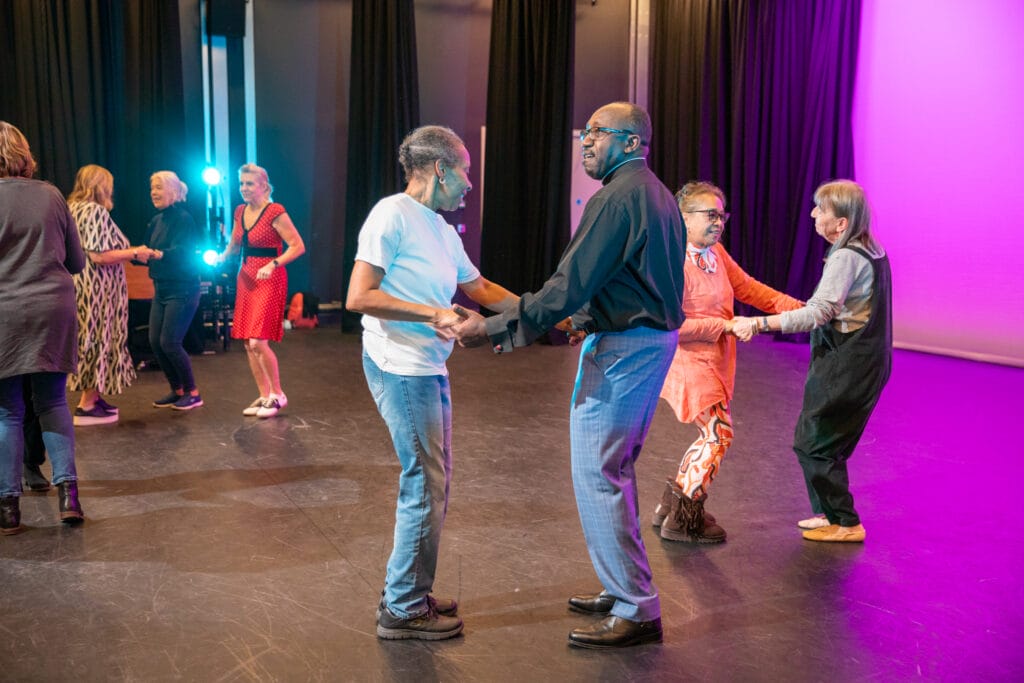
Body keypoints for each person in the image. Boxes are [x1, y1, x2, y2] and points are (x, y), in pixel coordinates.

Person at [453, 102, 685, 649]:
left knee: (600, 473)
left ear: (631, 142)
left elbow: (569, 283)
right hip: (644, 342)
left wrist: (491, 327)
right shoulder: (655, 194)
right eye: (585, 132)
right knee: (614, 469)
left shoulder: (617, 198)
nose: (586, 141)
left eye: (598, 132)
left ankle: (635, 605)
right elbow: (627, 280)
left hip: (626, 350)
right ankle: (621, 584)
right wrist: (583, 320)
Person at [346, 125, 519, 641]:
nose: (469, 183)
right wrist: (436, 314)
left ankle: (410, 589)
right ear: (441, 169)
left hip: (428, 364)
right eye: (465, 170)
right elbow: (359, 296)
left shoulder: (442, 230)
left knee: (432, 482)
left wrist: (546, 314)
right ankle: (402, 608)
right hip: (400, 366)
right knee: (424, 483)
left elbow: (481, 287)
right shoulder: (391, 214)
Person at [732, 179, 892, 543]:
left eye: (821, 209)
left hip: (849, 364)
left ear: (841, 223)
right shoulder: (871, 249)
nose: (813, 214)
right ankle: (829, 514)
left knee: (814, 443)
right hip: (864, 361)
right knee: (826, 440)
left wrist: (758, 324)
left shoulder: (846, 257)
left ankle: (847, 523)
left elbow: (818, 313)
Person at [652, 182, 803, 544]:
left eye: (722, 215)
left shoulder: (715, 253)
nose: (719, 222)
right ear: (683, 218)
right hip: (688, 362)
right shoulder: (670, 261)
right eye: (711, 215)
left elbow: (749, 289)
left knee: (711, 434)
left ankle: (671, 505)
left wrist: (801, 310)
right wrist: (726, 326)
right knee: (719, 433)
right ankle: (683, 519)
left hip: (715, 358)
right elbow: (672, 326)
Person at [0, 120, 86, 534]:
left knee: (7, 411)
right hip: (53, 308)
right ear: (24, 154)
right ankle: (69, 497)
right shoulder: (51, 194)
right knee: (52, 402)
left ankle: (8, 508)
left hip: (6, 311)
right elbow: (77, 262)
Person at [66, 165, 155, 425]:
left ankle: (94, 396)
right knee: (98, 338)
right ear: (101, 185)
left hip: (82, 284)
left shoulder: (72, 209)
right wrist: (135, 252)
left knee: (91, 338)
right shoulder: (94, 211)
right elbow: (99, 255)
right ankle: (87, 404)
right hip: (97, 290)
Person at [217, 164, 305, 418]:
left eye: (249, 183)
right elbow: (236, 245)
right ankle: (265, 395)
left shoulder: (274, 211)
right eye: (241, 183)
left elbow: (297, 246)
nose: (244, 188)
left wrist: (273, 264)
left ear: (263, 186)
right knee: (248, 342)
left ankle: (278, 394)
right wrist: (222, 256)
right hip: (246, 277)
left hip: (269, 278)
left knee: (258, 341)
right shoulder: (240, 211)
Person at [145, 170, 204, 411]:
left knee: (170, 342)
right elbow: (148, 249)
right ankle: (177, 390)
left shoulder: (184, 219)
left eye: (159, 187)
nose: (154, 192)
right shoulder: (156, 221)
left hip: (182, 288)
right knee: (155, 342)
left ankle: (193, 393)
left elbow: (183, 252)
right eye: (152, 188)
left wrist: (159, 254)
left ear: (173, 191)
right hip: (161, 288)